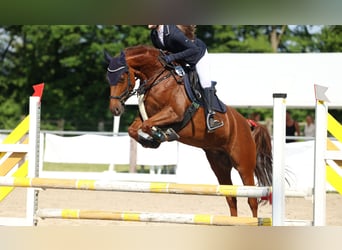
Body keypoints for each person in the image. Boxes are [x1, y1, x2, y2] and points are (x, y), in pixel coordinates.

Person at [148, 25, 224, 131]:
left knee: (204, 82)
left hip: (197, 56)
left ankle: (210, 118)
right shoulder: (154, 34)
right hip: (181, 59)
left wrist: (172, 57)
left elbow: (194, 50)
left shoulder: (173, 33)